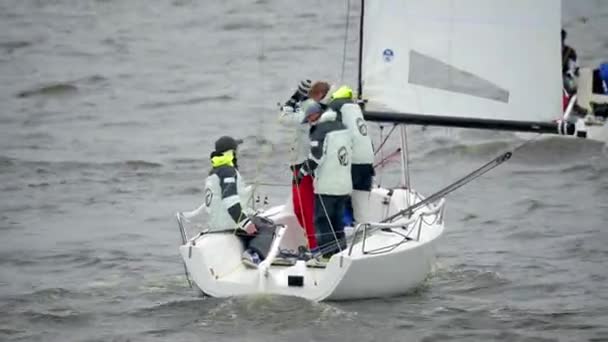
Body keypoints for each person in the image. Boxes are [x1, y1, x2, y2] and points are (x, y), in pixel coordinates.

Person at [201, 136, 276, 268]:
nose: (238, 153)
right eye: (236, 150)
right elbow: (230, 201)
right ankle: (253, 254)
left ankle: (247, 250)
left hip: (216, 224)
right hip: (228, 223)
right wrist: (246, 223)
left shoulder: (214, 172)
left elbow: (226, 197)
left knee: (256, 221)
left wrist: (250, 189)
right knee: (268, 226)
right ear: (231, 152)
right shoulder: (228, 172)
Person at [296, 102, 352, 259]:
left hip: (327, 186)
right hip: (344, 184)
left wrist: (301, 173)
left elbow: (315, 157)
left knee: (322, 221)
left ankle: (327, 257)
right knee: (337, 221)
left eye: (309, 119)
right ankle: (341, 255)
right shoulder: (342, 126)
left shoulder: (319, 131)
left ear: (315, 115)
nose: (309, 123)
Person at [278, 79, 317, 249]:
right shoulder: (303, 108)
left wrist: (291, 101)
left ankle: (315, 246)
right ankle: (311, 242)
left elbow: (284, 118)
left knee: (306, 210)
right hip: (296, 165)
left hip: (305, 167)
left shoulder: (310, 111)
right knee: (298, 209)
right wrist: (295, 101)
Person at [562, 29, 579, 95]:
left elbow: (572, 69)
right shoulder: (551, 51)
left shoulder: (570, 51)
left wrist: (572, 72)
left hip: (565, 77)